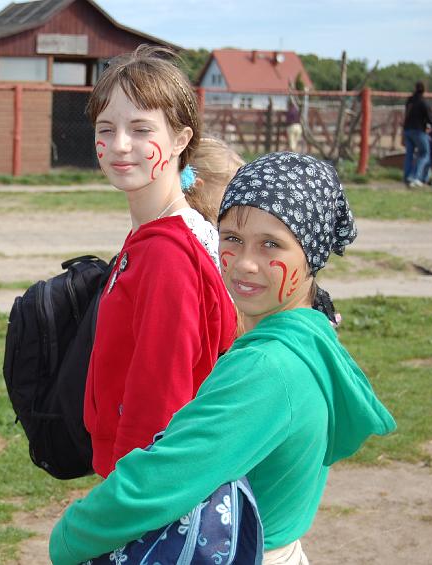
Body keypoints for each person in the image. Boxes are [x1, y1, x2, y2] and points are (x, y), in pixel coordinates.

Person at [49, 152, 396, 565]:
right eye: (231, 238)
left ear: (312, 254)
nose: (245, 263)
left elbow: (162, 480)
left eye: (271, 244)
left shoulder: (266, 368)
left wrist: (69, 536)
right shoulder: (311, 338)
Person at [84, 45, 238, 480]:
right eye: (106, 128)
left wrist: (127, 496)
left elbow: (159, 403)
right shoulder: (166, 233)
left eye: (141, 129)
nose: (120, 145)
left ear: (181, 140)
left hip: (146, 483)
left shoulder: (167, 255)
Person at [403, 81, 432, 187]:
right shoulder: (423, 102)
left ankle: (407, 177)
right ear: (424, 90)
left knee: (409, 154)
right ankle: (416, 177)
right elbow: (430, 118)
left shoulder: (410, 100)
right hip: (418, 131)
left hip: (407, 130)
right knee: (424, 154)